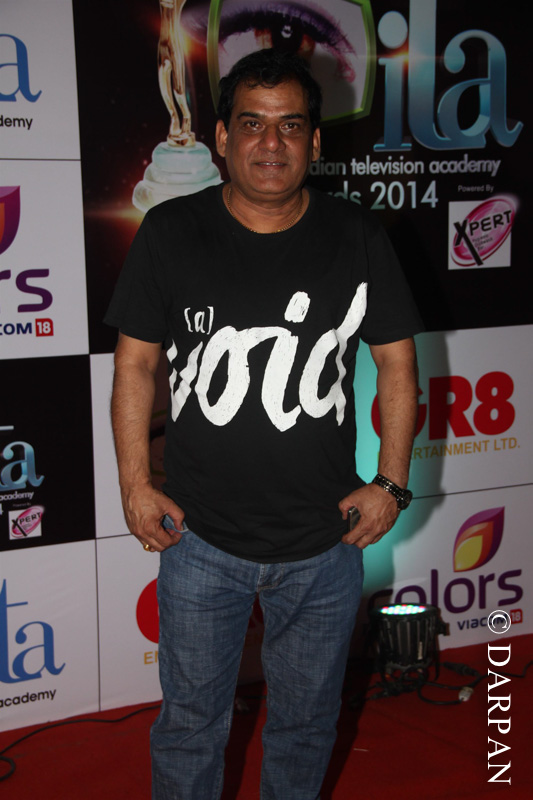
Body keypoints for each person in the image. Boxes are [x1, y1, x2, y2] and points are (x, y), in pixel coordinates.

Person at [106, 48, 423, 800]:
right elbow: (135, 367)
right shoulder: (170, 231)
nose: (271, 143)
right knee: (189, 725)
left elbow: (399, 367)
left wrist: (391, 484)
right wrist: (134, 485)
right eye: (252, 123)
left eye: (290, 125)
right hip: (199, 539)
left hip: (325, 543)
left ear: (315, 141)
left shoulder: (357, 235)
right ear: (221, 137)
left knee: (306, 725)